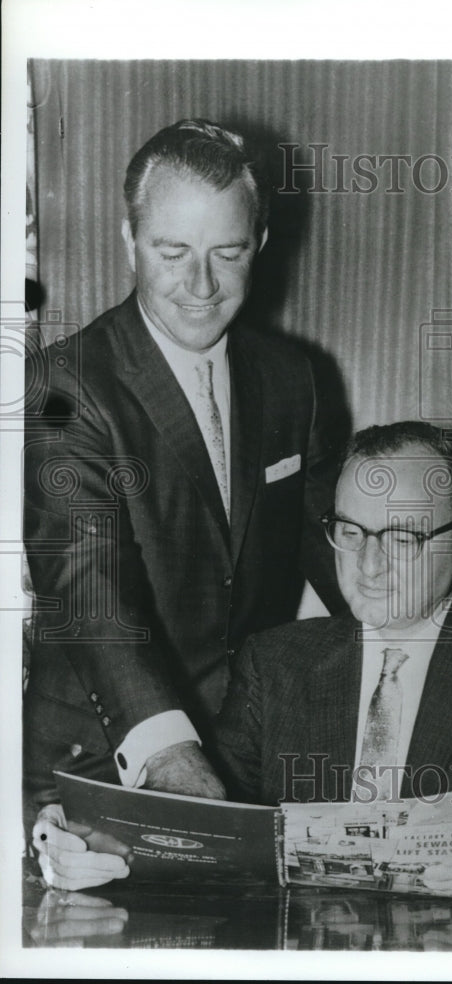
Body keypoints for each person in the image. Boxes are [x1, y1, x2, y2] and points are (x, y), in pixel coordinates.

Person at [33, 422, 452, 912]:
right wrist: (86, 840)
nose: (366, 565)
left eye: (400, 537)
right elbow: (210, 826)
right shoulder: (277, 662)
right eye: (349, 531)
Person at [24, 120, 344, 839]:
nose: (201, 285)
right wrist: (169, 755)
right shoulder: (61, 385)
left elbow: (343, 556)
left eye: (227, 252)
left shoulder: (294, 379)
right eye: (173, 252)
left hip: (246, 761)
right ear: (128, 239)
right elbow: (87, 585)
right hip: (104, 768)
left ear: (258, 243)